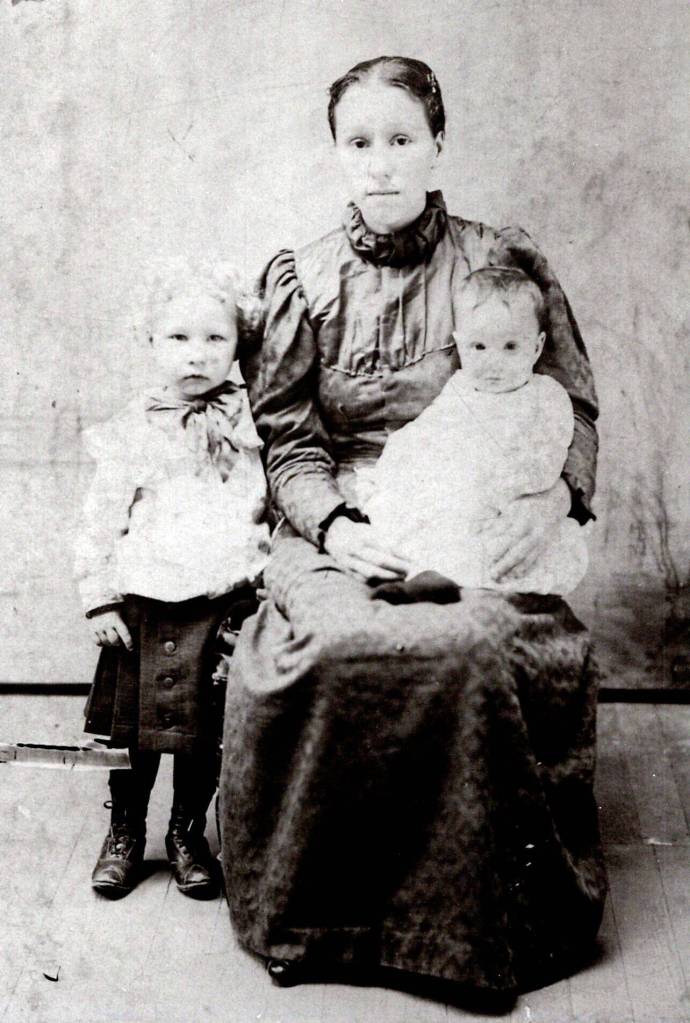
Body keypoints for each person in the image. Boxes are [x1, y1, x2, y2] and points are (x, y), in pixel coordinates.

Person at [219, 56, 606, 1000]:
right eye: (360, 144)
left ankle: (474, 931)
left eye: (403, 141)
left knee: (470, 641)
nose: (382, 164)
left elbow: (575, 407)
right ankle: (316, 921)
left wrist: (555, 499)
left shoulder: (496, 264)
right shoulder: (302, 278)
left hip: (483, 508)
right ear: (337, 156)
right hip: (346, 518)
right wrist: (337, 528)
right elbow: (289, 441)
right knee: (334, 641)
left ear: (438, 146)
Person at [74, 260, 269, 899]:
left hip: (221, 603)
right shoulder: (134, 426)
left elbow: (268, 505)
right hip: (144, 606)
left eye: (215, 338)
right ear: (151, 342)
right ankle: (126, 830)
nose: (196, 355)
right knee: (135, 734)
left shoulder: (252, 422)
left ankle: (187, 832)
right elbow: (99, 519)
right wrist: (99, 598)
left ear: (241, 343)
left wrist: (265, 581)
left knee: (201, 731)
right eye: (178, 338)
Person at [362, 266, 590, 600]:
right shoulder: (460, 388)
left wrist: (492, 481)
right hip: (459, 495)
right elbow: (426, 430)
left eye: (510, 347)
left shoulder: (545, 396)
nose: (493, 362)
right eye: (479, 347)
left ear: (537, 346)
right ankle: (428, 577)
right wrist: (401, 460)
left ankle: (449, 580)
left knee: (514, 547)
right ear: (460, 344)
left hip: (508, 504)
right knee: (420, 516)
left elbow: (548, 456)